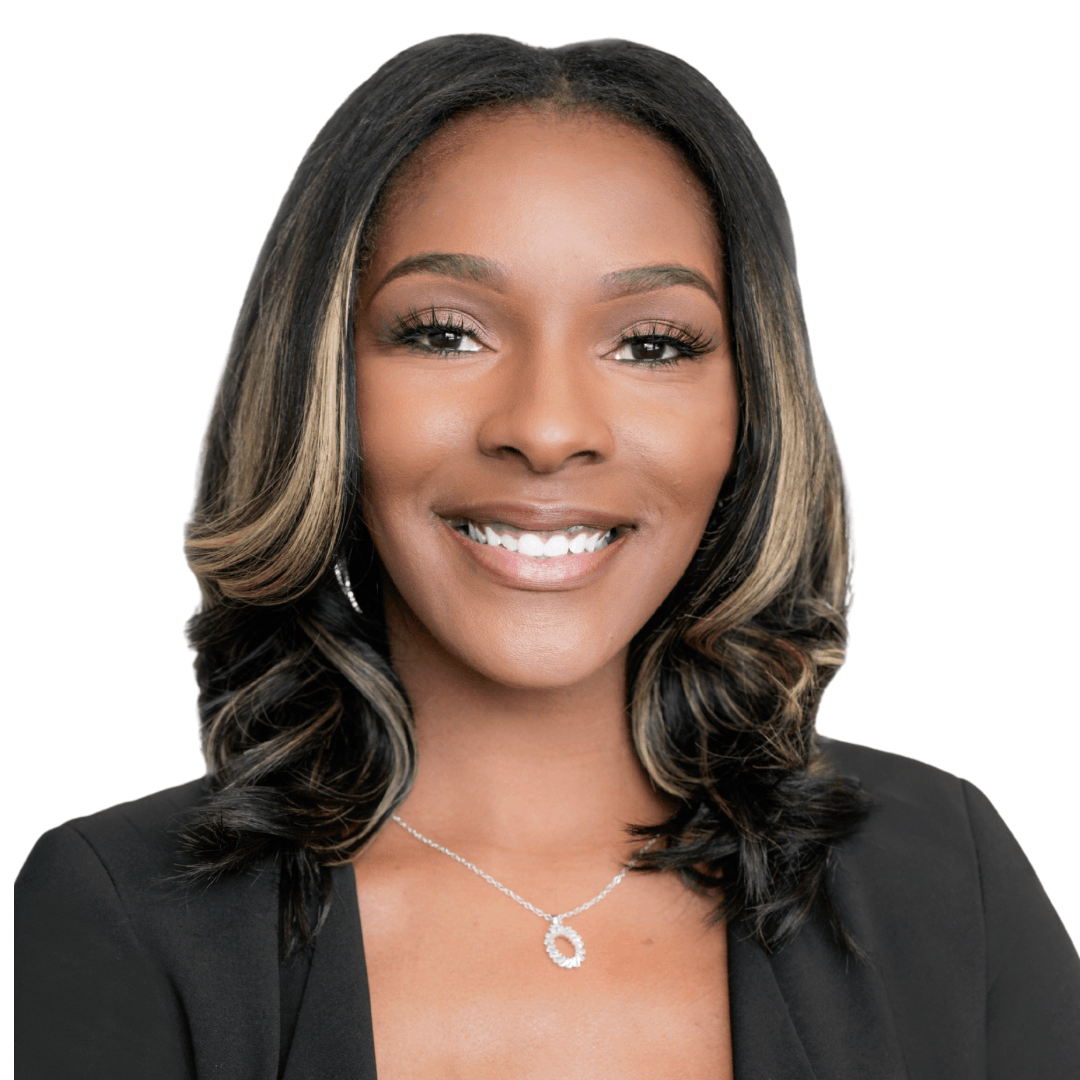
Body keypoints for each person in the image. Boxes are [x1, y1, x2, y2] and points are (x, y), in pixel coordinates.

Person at [15, 34, 1079, 1080]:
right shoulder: (123, 915)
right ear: (322, 383)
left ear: (750, 408)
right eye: (445, 332)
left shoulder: (945, 880)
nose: (548, 427)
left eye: (652, 344)